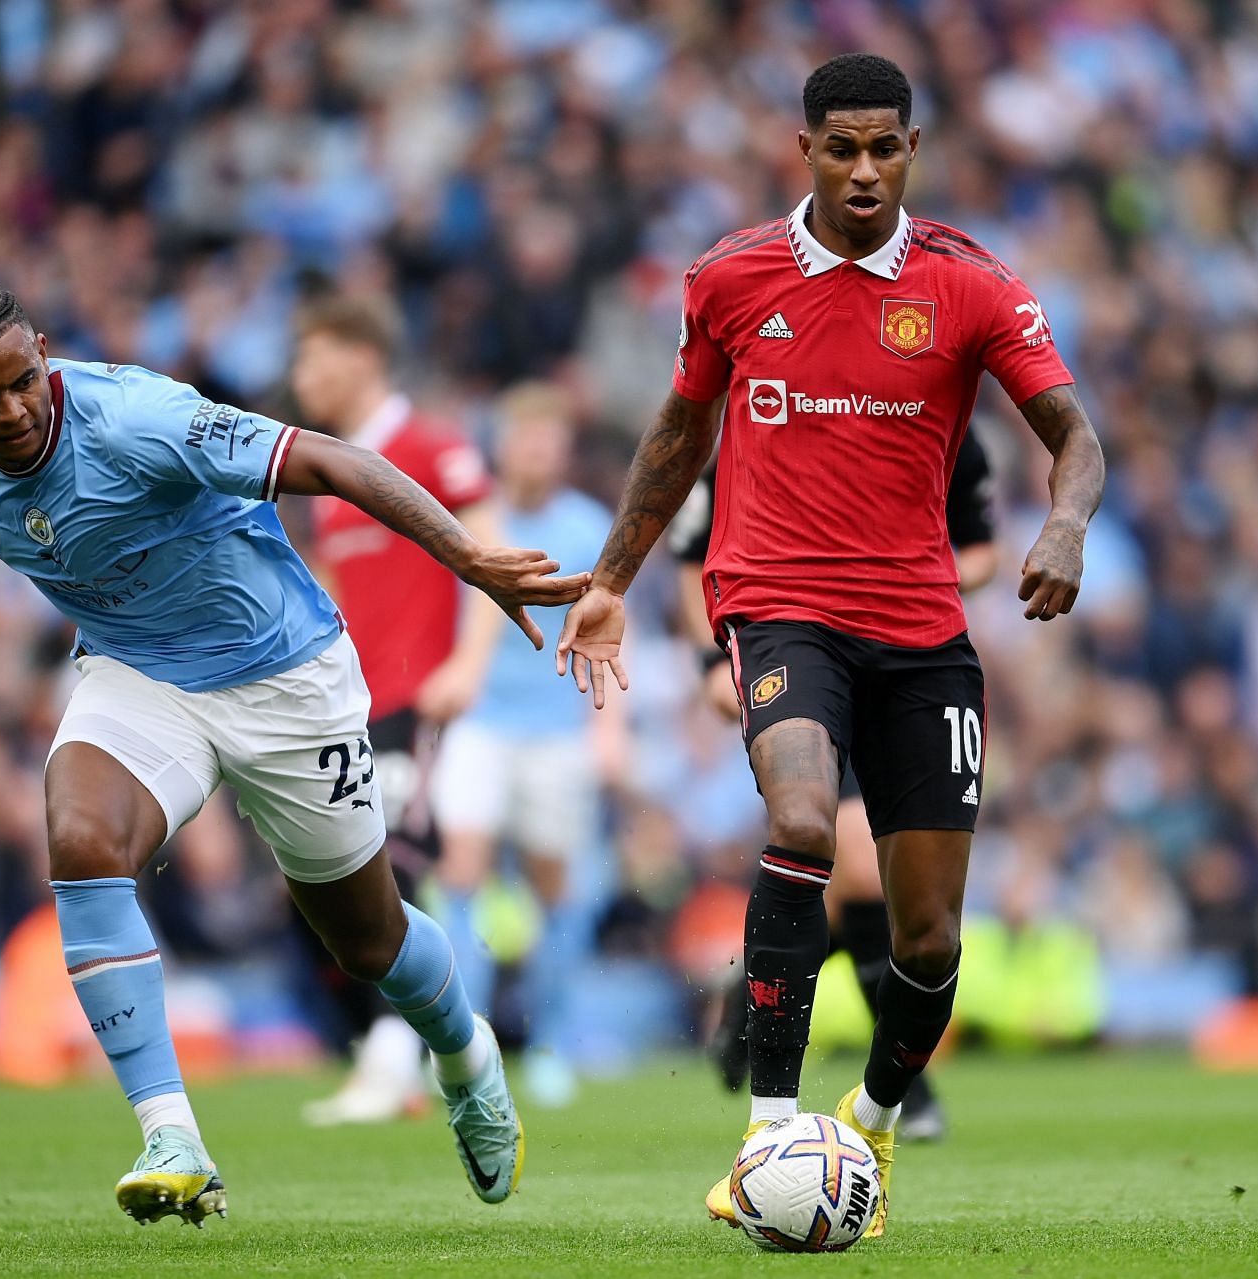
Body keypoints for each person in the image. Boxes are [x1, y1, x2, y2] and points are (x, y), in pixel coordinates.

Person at [0, 281, 585, 1225]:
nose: (8, 411)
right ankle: (171, 1134)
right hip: (140, 676)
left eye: (22, 382)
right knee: (83, 840)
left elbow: (331, 460)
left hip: (284, 675)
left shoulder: (142, 417)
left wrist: (472, 560)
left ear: (44, 353)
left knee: (367, 938)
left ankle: (465, 1053)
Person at [556, 54, 1105, 1237]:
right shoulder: (732, 279)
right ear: (803, 150)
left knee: (929, 936)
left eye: (886, 147)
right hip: (778, 605)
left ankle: (872, 1118)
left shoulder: (972, 286)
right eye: (841, 148)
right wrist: (611, 581)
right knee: (802, 820)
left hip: (922, 634)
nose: (865, 170)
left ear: (913, 148)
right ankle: (764, 1127)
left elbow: (1075, 436)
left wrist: (1063, 526)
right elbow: (674, 436)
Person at [672, 428, 1000, 1142]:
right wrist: (709, 656)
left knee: (859, 890)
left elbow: (979, 549)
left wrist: (905, 563)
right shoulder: (768, 421)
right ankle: (880, 1096)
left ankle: (748, 1000)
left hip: (908, 655)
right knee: (839, 854)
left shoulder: (942, 418)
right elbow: (693, 556)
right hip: (799, 651)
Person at [290, 293, 502, 1127]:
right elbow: (336, 597)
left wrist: (470, 659)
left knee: (396, 865)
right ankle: (385, 1048)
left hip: (426, 697)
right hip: (355, 707)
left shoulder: (433, 446)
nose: (300, 376)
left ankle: (394, 1056)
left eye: (312, 357)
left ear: (361, 357)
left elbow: (486, 549)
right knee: (322, 881)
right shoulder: (325, 471)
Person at [428, 382, 615, 1108]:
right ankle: (463, 1041)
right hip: (479, 721)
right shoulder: (472, 520)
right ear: (502, 444)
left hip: (556, 728)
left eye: (549, 440)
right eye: (526, 438)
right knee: (462, 866)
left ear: (563, 451)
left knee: (552, 889)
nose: (537, 452)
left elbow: (607, 627)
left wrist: (608, 725)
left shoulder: (589, 525)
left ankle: (550, 1043)